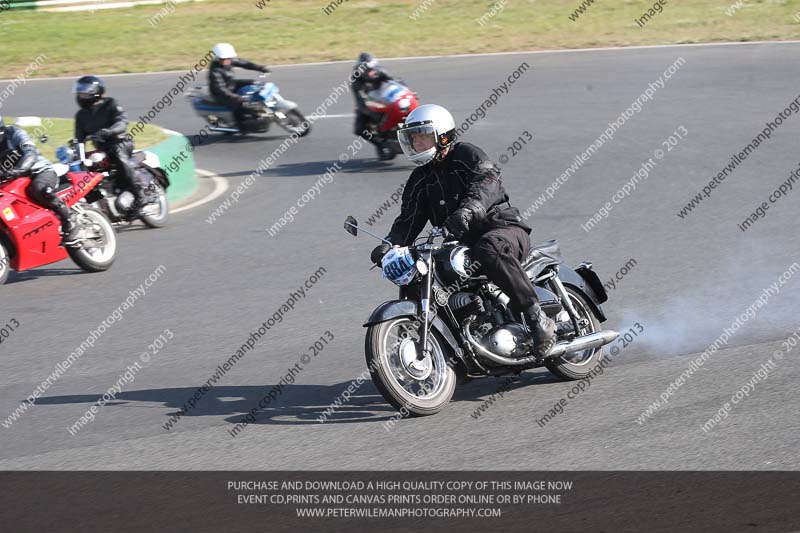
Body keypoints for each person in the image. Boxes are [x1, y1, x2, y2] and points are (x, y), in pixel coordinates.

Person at [370, 104, 556, 357]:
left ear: (442, 136)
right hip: (458, 244)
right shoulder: (419, 179)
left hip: (500, 230)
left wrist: (469, 210)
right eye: (413, 138)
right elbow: (408, 219)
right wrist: (390, 245)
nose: (417, 143)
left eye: (423, 136)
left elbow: (487, 182)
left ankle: (536, 319)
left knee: (488, 247)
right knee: (417, 270)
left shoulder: (466, 155)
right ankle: (456, 348)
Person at [73, 75, 153, 215]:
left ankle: (140, 195)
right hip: (102, 149)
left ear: (95, 92)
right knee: (83, 168)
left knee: (117, 153)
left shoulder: (111, 104)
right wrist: (78, 155)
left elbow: (122, 122)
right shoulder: (80, 115)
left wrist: (109, 131)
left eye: (84, 92)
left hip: (120, 142)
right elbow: (80, 139)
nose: (81, 96)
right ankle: (100, 209)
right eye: (79, 92)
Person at [0, 116, 80, 243]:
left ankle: (69, 217)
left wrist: (18, 171)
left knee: (40, 189)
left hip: (38, 171)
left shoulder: (15, 133)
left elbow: (30, 153)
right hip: (12, 182)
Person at [208, 43, 270, 129]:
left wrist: (260, 68)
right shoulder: (215, 71)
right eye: (223, 58)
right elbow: (220, 88)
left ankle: (261, 108)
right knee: (241, 103)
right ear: (217, 58)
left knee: (254, 82)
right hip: (221, 93)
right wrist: (234, 96)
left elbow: (244, 63)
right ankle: (242, 125)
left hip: (231, 84)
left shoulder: (229, 60)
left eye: (228, 58)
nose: (226, 60)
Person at [351, 52, 395, 161]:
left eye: (372, 68)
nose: (370, 71)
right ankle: (380, 144)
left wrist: (408, 91)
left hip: (386, 99)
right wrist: (369, 112)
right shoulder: (356, 80)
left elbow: (396, 83)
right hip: (369, 104)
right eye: (366, 69)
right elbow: (360, 101)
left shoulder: (381, 72)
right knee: (359, 129)